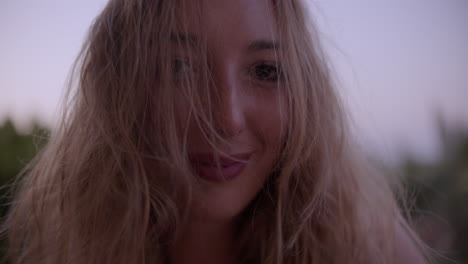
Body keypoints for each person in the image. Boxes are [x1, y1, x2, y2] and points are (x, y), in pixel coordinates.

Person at [3, 0, 430, 263]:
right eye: (178, 67)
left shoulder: (366, 251)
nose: (226, 119)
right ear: (119, 90)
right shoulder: (66, 251)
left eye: (265, 70)